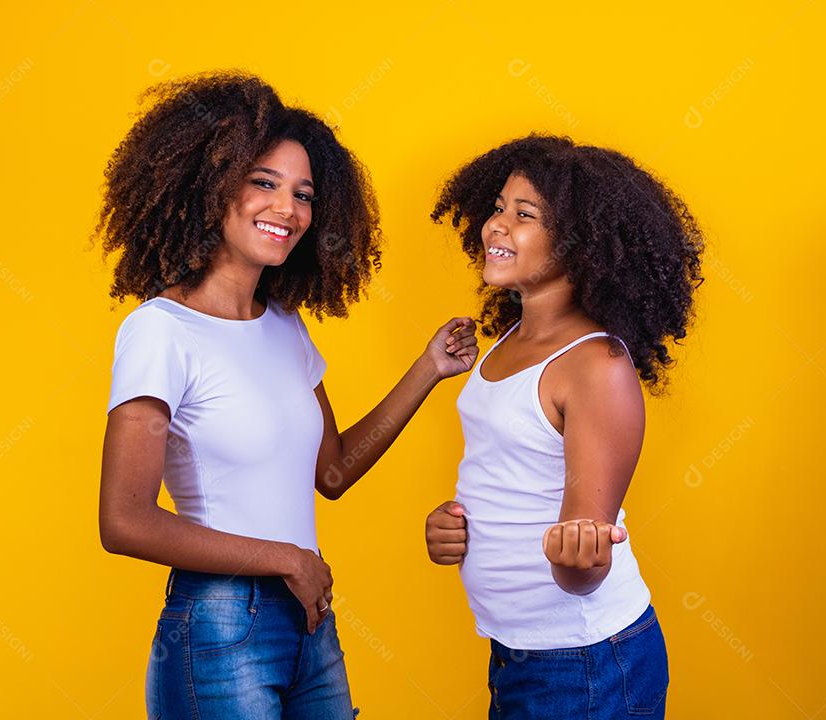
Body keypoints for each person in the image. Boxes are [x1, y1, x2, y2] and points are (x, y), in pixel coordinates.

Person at [94, 71, 478, 719]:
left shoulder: (284, 326)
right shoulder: (160, 331)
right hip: (220, 621)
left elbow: (331, 472)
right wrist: (286, 559)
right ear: (210, 184)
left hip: (307, 616)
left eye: (303, 194)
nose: (289, 209)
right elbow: (124, 519)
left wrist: (428, 368)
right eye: (264, 183)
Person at [425, 134, 704, 719]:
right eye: (498, 207)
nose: (497, 225)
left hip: (585, 663)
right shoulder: (507, 344)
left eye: (524, 215)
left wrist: (577, 556)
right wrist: (454, 528)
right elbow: (509, 473)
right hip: (519, 653)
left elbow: (585, 565)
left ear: (580, 247)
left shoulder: (594, 366)